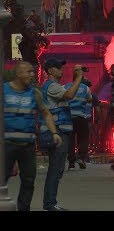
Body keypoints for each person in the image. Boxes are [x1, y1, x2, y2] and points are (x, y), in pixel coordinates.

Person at [4, 61, 61, 211]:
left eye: (32, 71)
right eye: (28, 72)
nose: (32, 74)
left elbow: (46, 113)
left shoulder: (34, 93)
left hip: (27, 145)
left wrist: (54, 132)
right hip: (6, 144)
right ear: (18, 74)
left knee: (29, 181)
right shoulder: (4, 90)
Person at [39, 58, 84, 210]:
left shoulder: (53, 86)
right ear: (50, 71)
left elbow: (67, 93)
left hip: (58, 131)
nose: (61, 69)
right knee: (56, 169)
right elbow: (70, 95)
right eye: (58, 67)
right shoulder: (51, 86)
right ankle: (50, 204)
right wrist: (78, 78)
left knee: (56, 169)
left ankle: (50, 202)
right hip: (57, 132)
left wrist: (75, 79)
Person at [64, 72, 93, 170]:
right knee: (83, 138)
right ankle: (81, 158)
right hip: (81, 117)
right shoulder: (85, 88)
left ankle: (71, 163)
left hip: (68, 117)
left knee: (70, 140)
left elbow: (62, 98)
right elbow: (89, 99)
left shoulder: (65, 86)